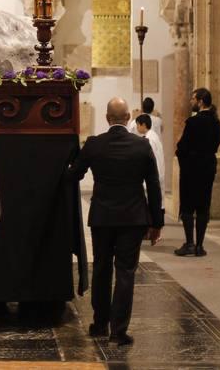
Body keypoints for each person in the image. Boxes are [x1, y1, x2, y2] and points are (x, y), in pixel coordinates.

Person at [66, 96, 163, 346]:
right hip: (133, 218)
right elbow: (153, 186)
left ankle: (100, 324)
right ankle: (119, 330)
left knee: (101, 268)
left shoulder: (95, 144)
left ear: (107, 119)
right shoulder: (141, 146)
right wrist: (157, 222)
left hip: (103, 216)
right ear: (129, 118)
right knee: (126, 272)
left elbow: (74, 174)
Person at [174, 87, 220, 257]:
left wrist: (183, 160)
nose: (191, 102)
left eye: (193, 99)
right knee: (203, 206)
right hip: (207, 169)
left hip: (191, 169)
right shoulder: (217, 123)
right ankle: (200, 246)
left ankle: (189, 243)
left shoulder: (193, 122)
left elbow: (181, 148)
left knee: (187, 206)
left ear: (201, 101)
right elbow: (215, 146)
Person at [135, 113, 165, 212]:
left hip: (154, 176)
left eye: (137, 125)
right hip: (157, 174)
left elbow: (150, 160)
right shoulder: (153, 135)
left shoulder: (149, 139)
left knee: (153, 206)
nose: (137, 128)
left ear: (143, 125)